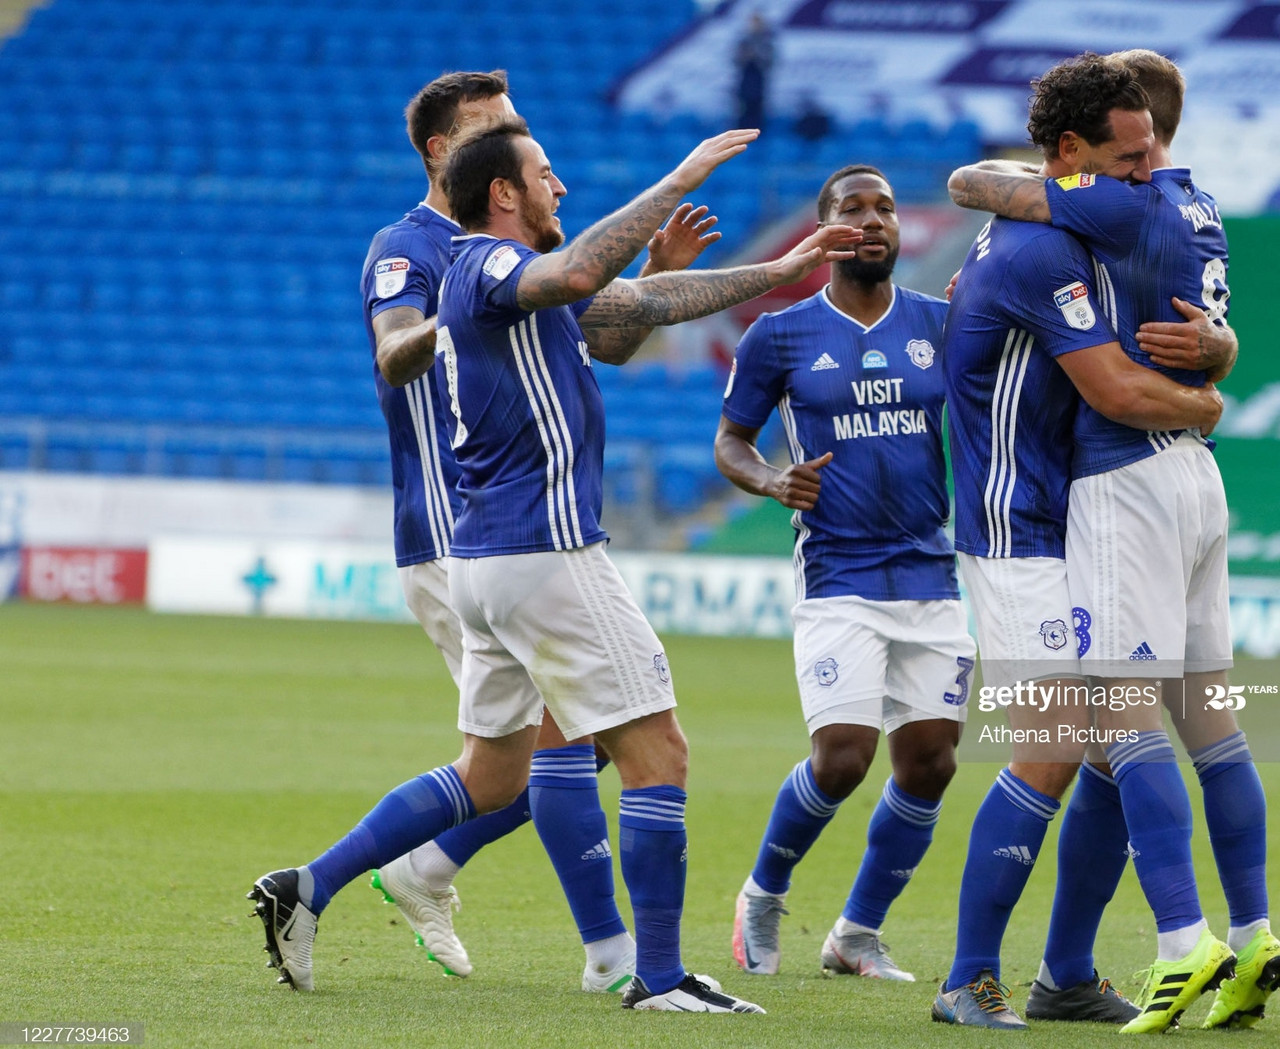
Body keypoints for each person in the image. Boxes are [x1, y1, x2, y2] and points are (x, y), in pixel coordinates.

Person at [251, 117, 860, 1013]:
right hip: (547, 550)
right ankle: (652, 974)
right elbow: (578, 271)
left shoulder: (499, 286)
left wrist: (778, 270)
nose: (560, 187)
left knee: (492, 775)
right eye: (546, 173)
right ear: (504, 194)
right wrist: (681, 170)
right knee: (659, 751)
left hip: (488, 561)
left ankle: (309, 886)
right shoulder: (485, 264)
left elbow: (635, 309)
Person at [353, 70, 724, 993]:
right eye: (497, 129)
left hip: (507, 527)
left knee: (557, 747)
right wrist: (460, 320)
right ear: (451, 153)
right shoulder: (417, 246)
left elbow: (603, 338)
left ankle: (414, 870)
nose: (515, 140)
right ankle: (612, 956)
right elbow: (393, 351)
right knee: (572, 741)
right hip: (463, 523)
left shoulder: (516, 249)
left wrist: (656, 286)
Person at [947, 47, 1276, 1032]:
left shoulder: (1088, 218)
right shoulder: (1043, 243)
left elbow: (984, 184)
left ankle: (1068, 971)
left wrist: (1211, 355)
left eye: (1146, 152)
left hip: (1089, 504)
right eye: (1123, 156)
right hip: (1022, 523)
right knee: (1059, 743)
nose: (1143, 171)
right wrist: (1209, 395)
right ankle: (967, 975)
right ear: (1069, 155)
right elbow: (1116, 388)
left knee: (1103, 744)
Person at [716, 165, 975, 982]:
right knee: (842, 756)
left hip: (930, 572)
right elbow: (732, 440)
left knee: (931, 761)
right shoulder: (781, 334)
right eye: (853, 209)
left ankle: (856, 932)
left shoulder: (944, 321)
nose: (873, 220)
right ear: (823, 229)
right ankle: (763, 890)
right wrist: (768, 478)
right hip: (838, 571)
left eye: (886, 208)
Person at [733, 12, 774, 130]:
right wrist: (747, 55)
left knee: (757, 114)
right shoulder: (743, 43)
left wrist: (757, 55)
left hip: (759, 83)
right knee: (742, 113)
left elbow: (769, 63)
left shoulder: (766, 43)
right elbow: (737, 62)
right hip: (745, 82)